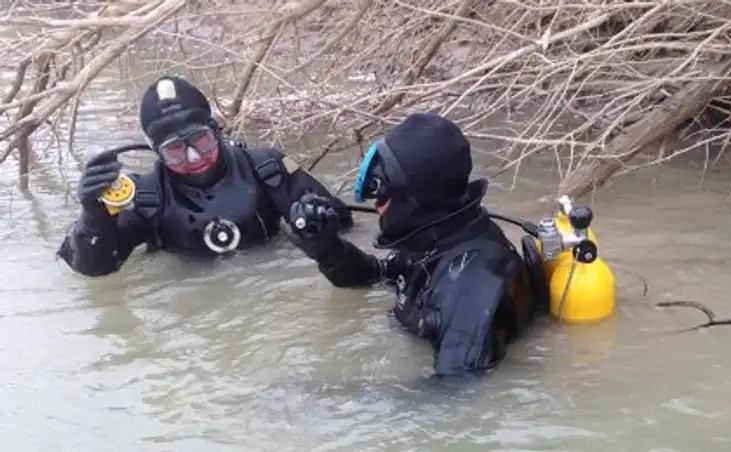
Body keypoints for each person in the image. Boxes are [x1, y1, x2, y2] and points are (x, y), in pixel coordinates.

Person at [287, 112, 542, 377]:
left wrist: (330, 400)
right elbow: (377, 275)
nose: (376, 203)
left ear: (414, 194)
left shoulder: (471, 282)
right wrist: (327, 250)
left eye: (381, 190)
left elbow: (456, 392)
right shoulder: (438, 239)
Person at [57, 76, 353, 277]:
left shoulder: (266, 168)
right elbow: (94, 272)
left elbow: (345, 222)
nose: (194, 158)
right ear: (157, 153)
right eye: (175, 150)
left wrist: (316, 219)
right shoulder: (148, 197)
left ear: (216, 129)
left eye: (201, 141)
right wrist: (94, 215)